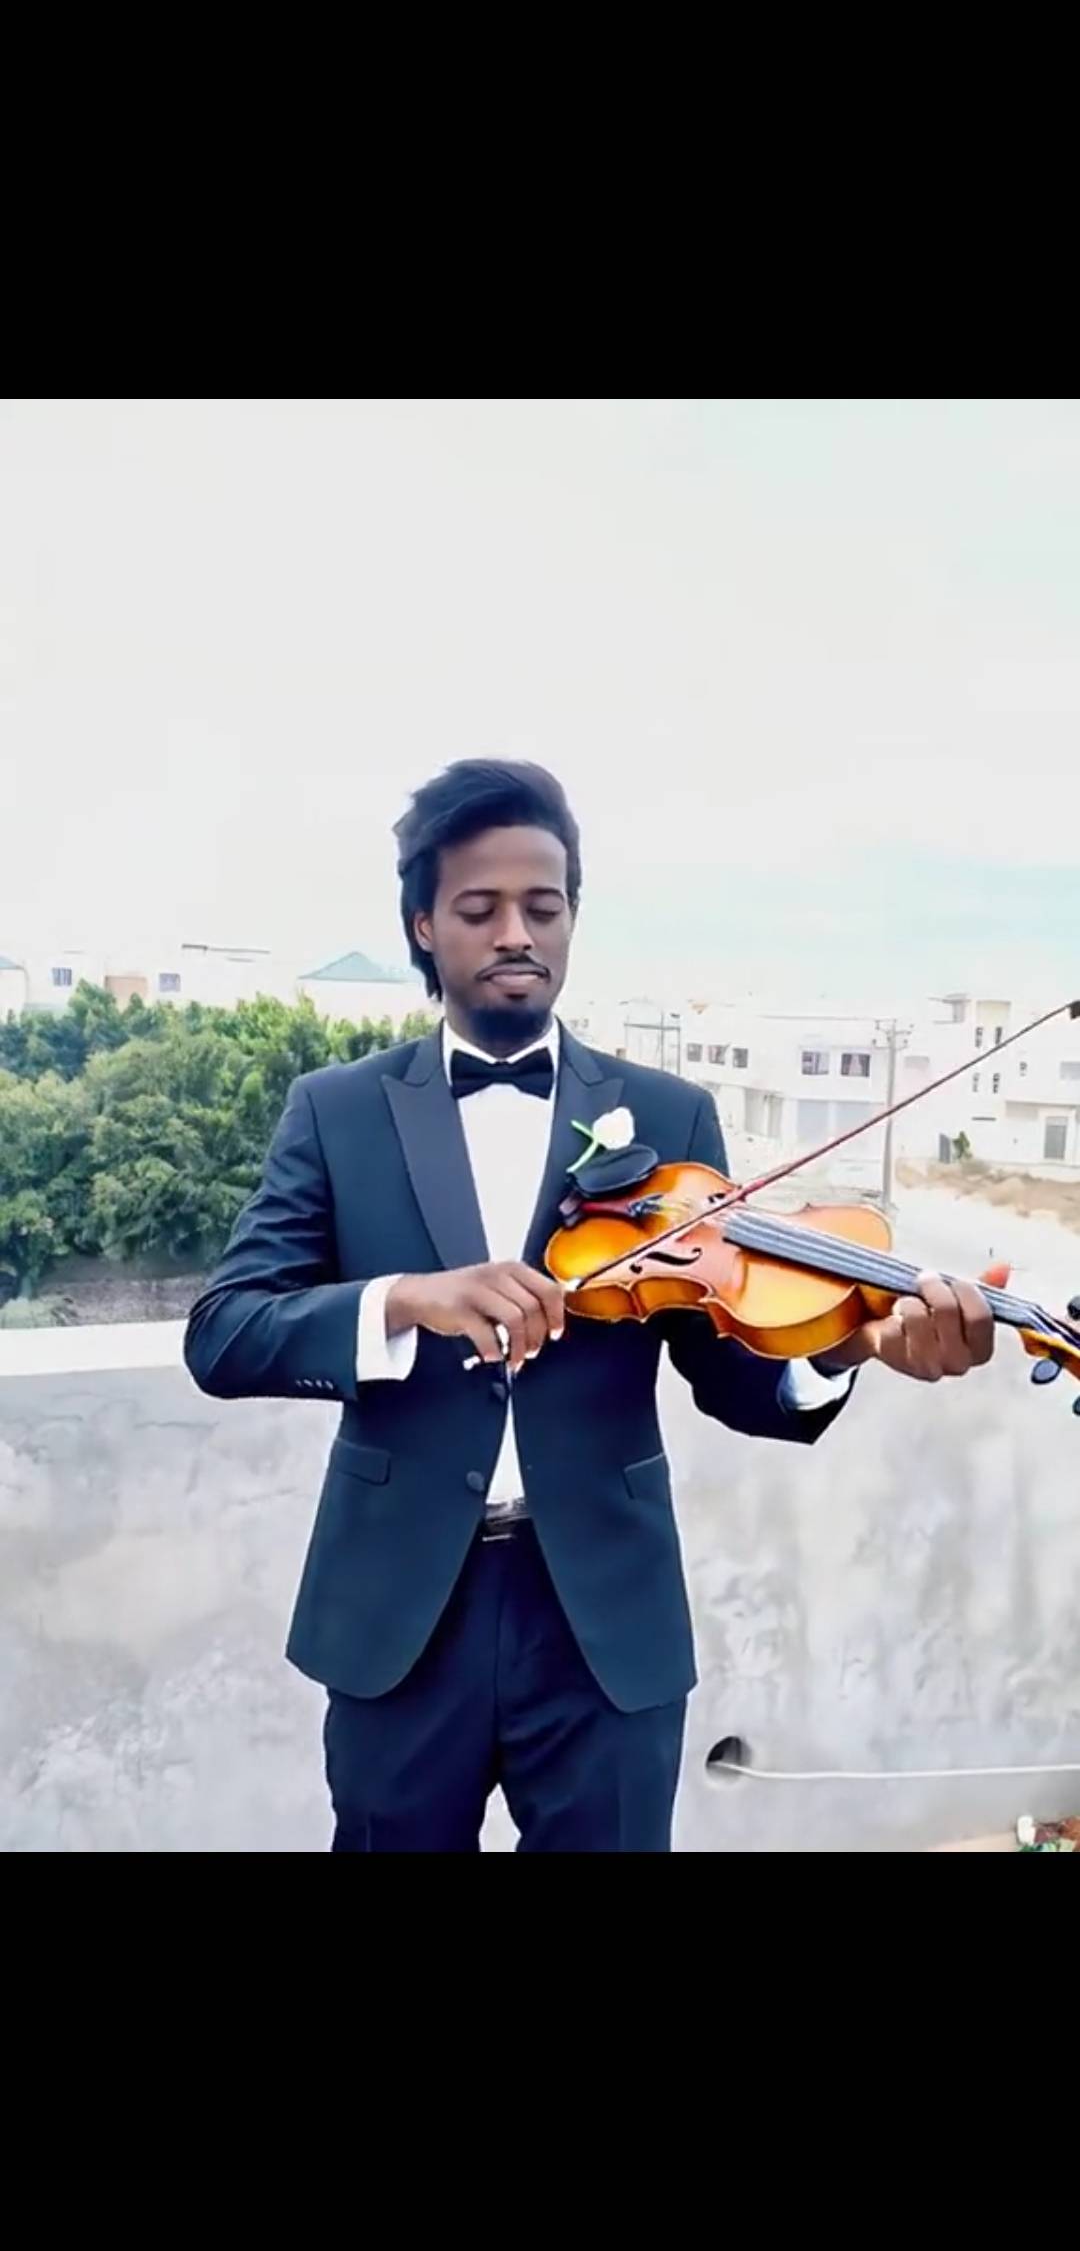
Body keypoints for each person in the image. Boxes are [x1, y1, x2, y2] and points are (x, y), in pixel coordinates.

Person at [184, 759, 1004, 1853]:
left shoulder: (669, 1114)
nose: (516, 933)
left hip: (603, 1621)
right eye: (479, 909)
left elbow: (735, 1374)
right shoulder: (336, 1110)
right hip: (398, 1616)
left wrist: (849, 1346)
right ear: (424, 925)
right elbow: (227, 1333)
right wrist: (407, 1301)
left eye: (544, 906)